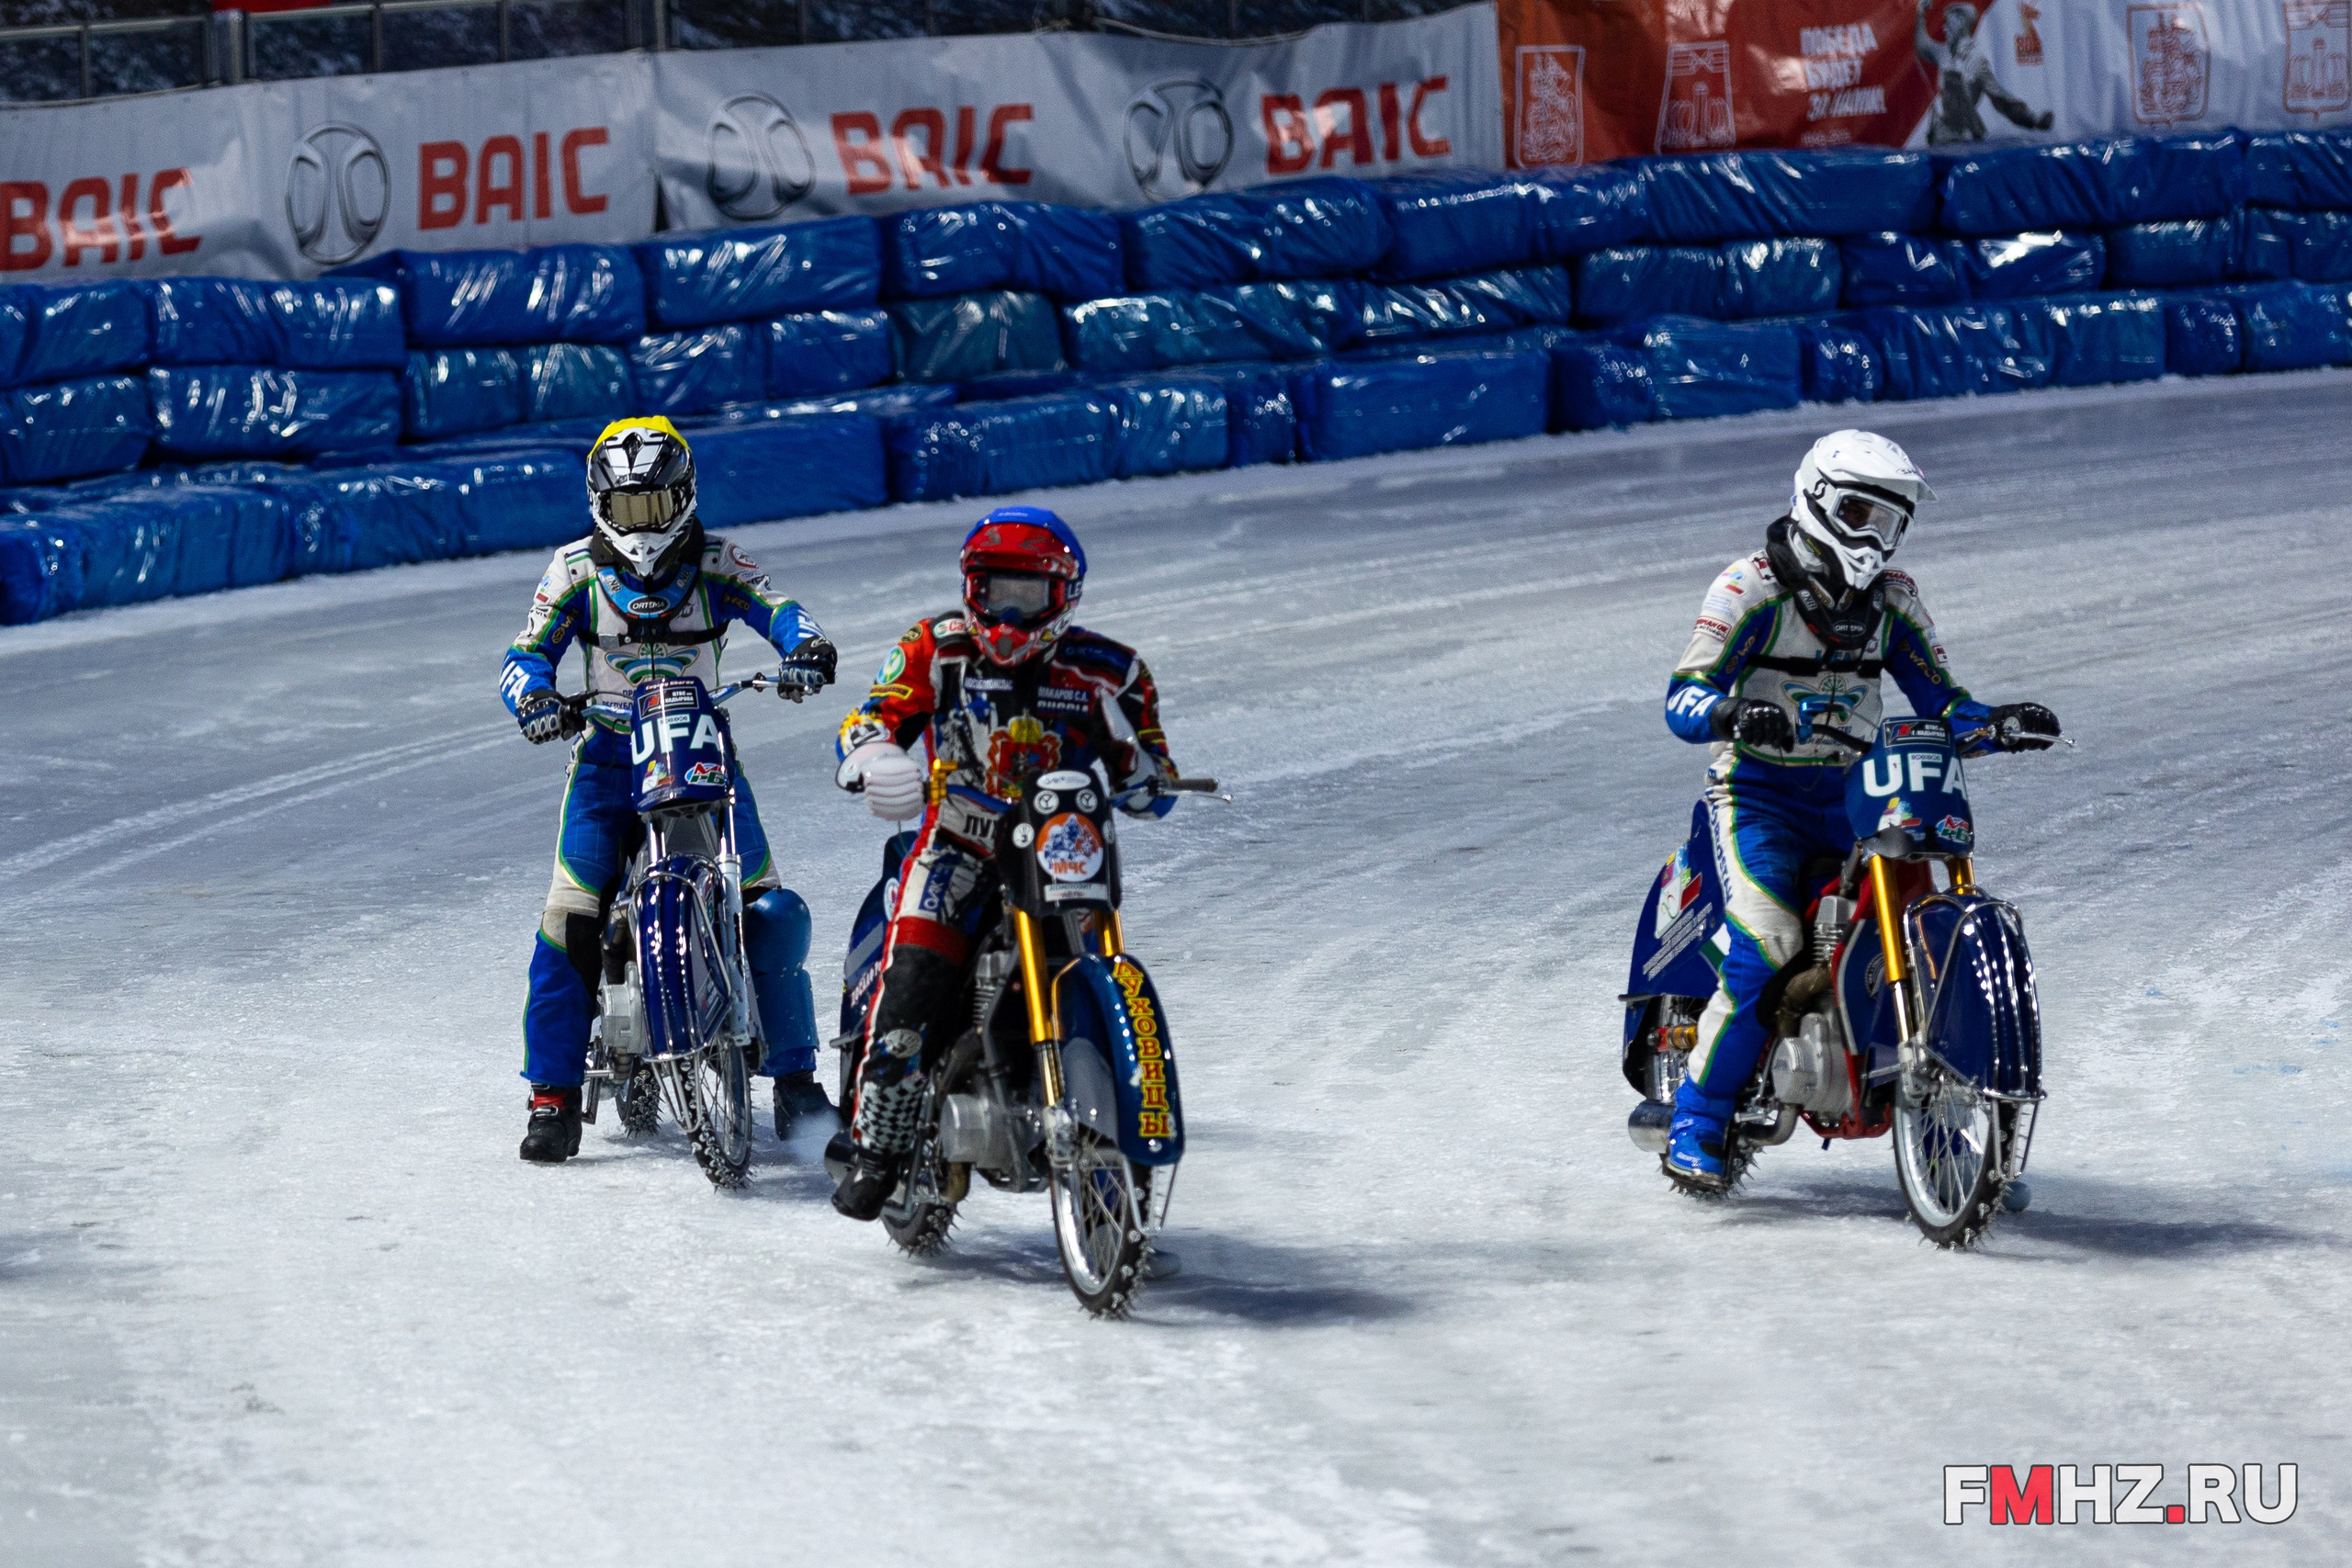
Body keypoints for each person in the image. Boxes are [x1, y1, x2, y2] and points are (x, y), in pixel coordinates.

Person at [1660, 430, 2060, 1188]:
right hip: (1756, 797)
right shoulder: (1748, 589)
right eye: (1859, 513)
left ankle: (1950, 1136)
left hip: (1856, 792)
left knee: (1904, 925)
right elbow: (1683, 697)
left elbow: (1943, 702)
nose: (1874, 537)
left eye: (1889, 520)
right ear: (1814, 502)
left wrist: (1997, 723)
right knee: (1770, 945)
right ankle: (1698, 1119)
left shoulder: (1895, 603)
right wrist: (1732, 714)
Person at [499, 416, 839, 1164]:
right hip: (607, 760)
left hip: (703, 751)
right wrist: (533, 698)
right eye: (626, 509)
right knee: (569, 917)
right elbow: (524, 654)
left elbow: (778, 609)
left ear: (684, 497)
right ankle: (552, 1095)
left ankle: (798, 1081)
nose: (641, 526)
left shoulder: (720, 562)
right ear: (599, 506)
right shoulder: (571, 573)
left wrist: (806, 648)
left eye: (654, 506)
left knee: (770, 910)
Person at [827, 506, 1178, 1222]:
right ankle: (877, 1150)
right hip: (959, 846)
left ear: (1065, 596)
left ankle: (1114, 1144)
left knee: (1107, 973)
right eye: (995, 593)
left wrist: (1140, 765)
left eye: (1028, 596)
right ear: (971, 588)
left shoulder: (1112, 671)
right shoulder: (935, 647)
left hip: (1066, 855)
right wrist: (872, 755)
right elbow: (871, 717)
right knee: (913, 982)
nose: (1008, 614)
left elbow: (1156, 782)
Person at [1917, 0, 2053, 143]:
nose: (1944, 28)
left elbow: (2001, 98)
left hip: (1964, 141)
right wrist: (1920, 14)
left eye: (1948, 23)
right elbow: (1923, 46)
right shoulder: (1944, 53)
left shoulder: (1976, 61)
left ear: (1961, 23)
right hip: (1940, 137)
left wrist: (2033, 120)